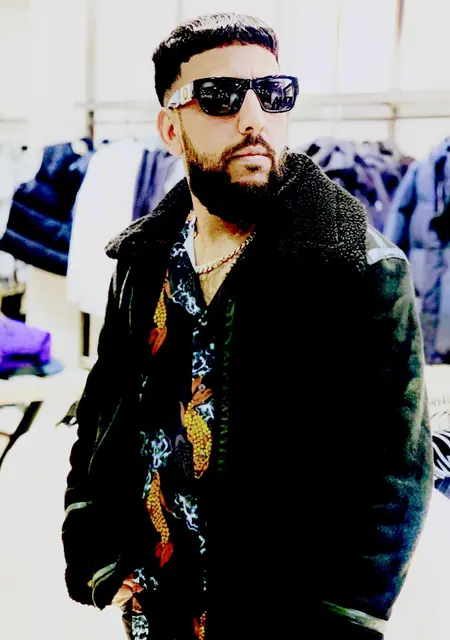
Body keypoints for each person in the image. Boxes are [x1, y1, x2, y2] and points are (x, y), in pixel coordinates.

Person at [62, 13, 433, 640]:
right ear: (171, 128)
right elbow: (106, 406)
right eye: (221, 96)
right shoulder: (144, 258)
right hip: (158, 603)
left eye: (273, 93)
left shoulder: (355, 267)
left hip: (282, 614)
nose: (254, 117)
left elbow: (395, 469)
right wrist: (94, 544)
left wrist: (346, 618)